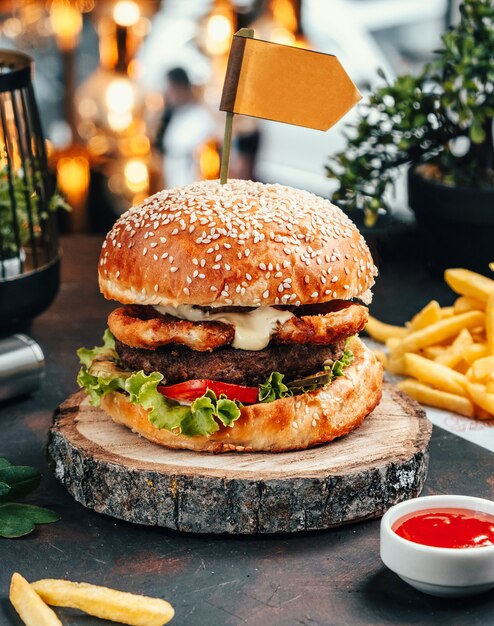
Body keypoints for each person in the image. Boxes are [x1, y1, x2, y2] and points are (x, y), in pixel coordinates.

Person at [155, 67, 215, 188]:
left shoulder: (200, 116)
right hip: (171, 181)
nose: (168, 93)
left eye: (170, 88)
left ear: (181, 87)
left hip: (191, 182)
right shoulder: (173, 114)